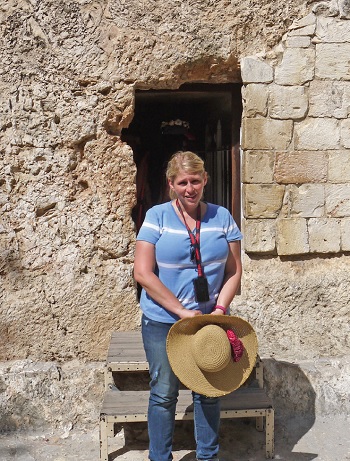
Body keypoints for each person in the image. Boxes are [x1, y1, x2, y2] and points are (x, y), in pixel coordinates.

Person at [133, 151, 243, 461]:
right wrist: (181, 311)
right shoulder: (157, 216)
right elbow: (142, 272)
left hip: (209, 321)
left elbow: (234, 271)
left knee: (208, 390)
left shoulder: (222, 217)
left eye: (195, 180)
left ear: (205, 179)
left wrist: (220, 310)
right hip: (163, 320)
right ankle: (160, 457)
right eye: (182, 182)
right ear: (171, 183)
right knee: (164, 392)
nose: (190, 188)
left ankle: (208, 456)